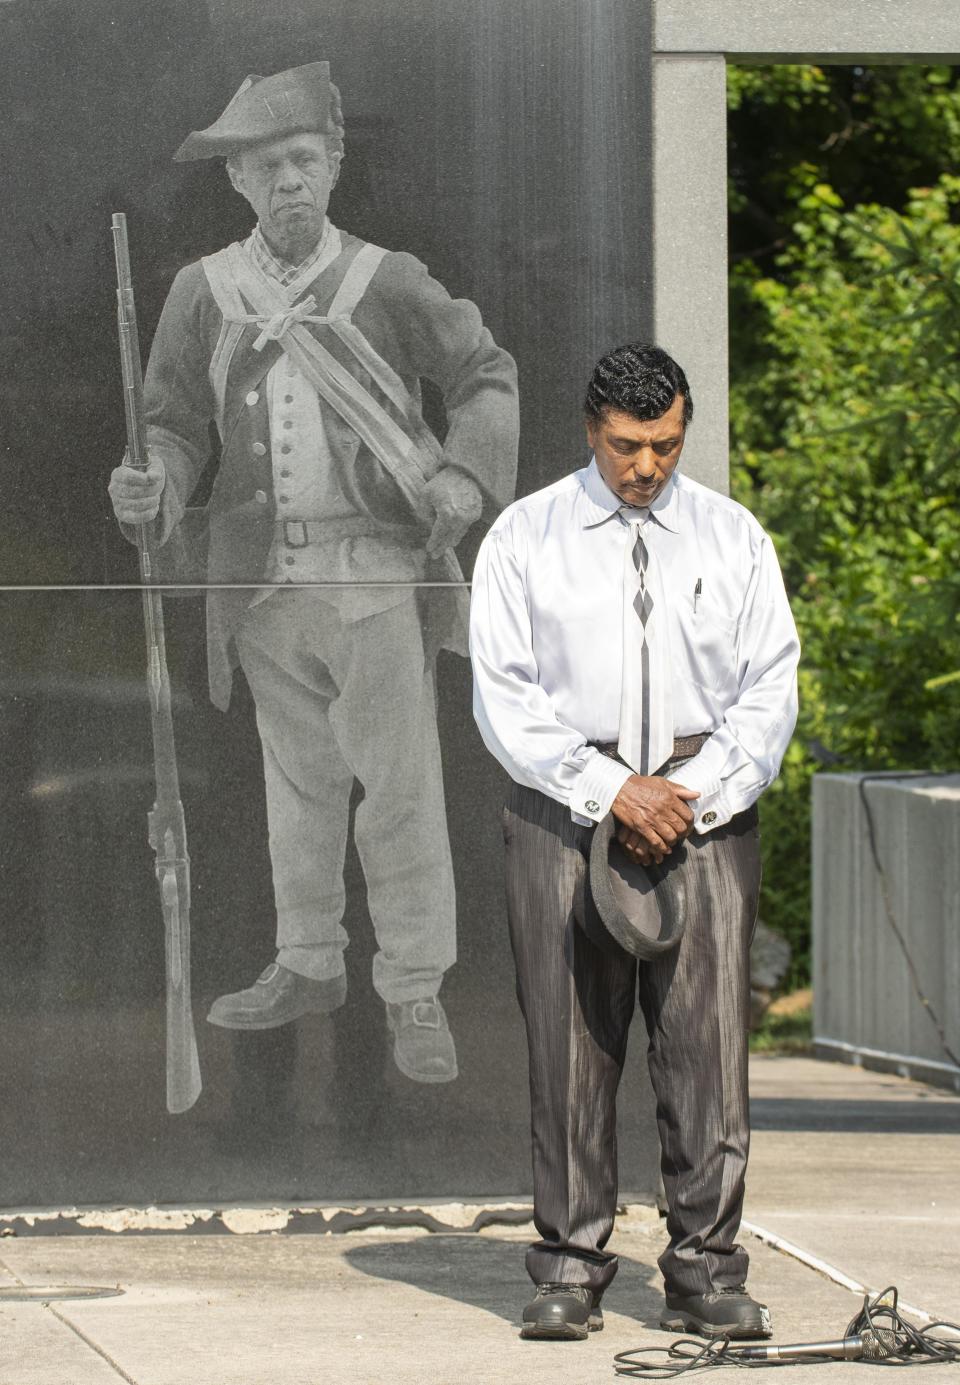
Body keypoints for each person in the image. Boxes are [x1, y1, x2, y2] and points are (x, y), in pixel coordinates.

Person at [109, 62, 518, 1085]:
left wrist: (465, 475)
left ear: (333, 165)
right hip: (261, 585)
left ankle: (416, 984)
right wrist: (150, 482)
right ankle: (308, 960)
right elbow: (169, 424)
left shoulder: (387, 280)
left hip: (376, 575)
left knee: (399, 788)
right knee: (296, 787)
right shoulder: (204, 292)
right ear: (238, 183)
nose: (289, 182)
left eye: (304, 160)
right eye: (266, 167)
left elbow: (484, 375)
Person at [469, 343, 799, 1338]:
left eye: (661, 444)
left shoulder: (732, 537)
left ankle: (705, 1268)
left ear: (683, 428)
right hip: (563, 812)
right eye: (624, 445)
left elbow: (769, 689)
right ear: (590, 428)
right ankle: (570, 1264)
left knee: (708, 1049)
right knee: (570, 1046)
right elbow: (505, 697)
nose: (643, 466)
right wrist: (614, 788)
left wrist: (686, 796)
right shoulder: (524, 536)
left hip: (706, 813)